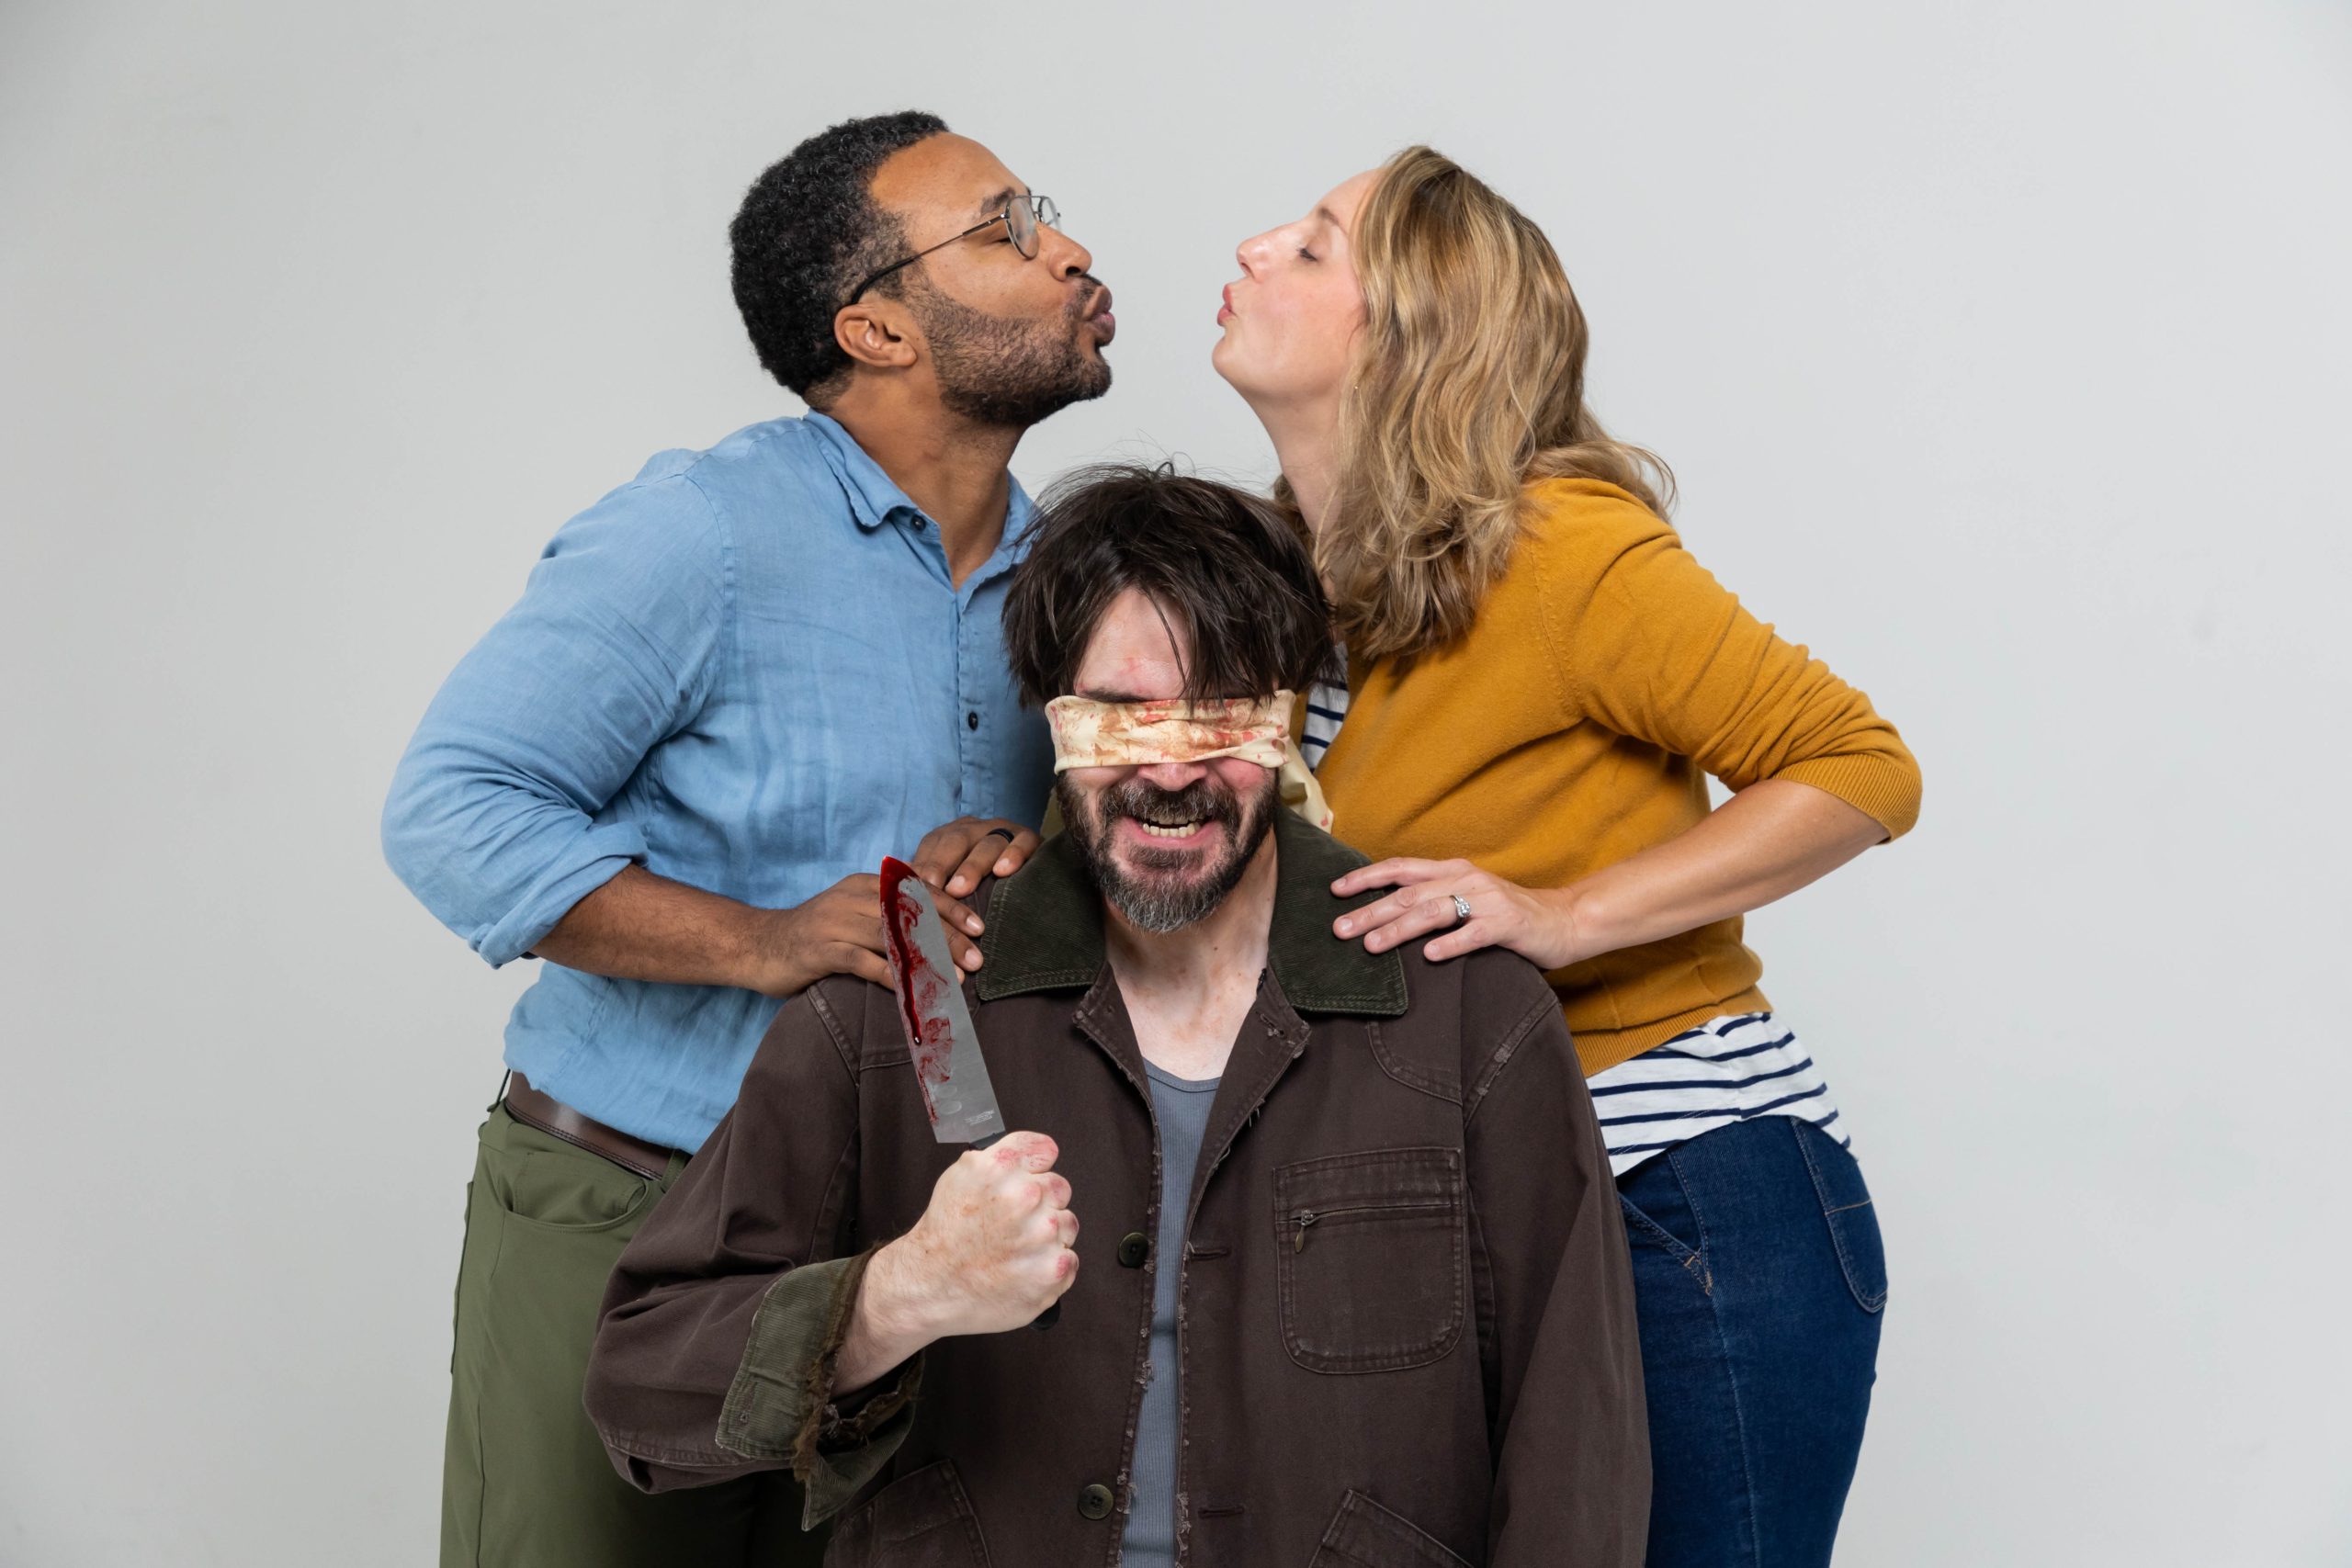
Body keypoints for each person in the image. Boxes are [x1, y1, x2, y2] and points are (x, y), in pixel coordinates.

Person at [581, 466, 1649, 1567]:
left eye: (1219, 711)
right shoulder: (909, 1000)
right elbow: (640, 1390)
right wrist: (896, 1298)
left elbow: (1578, 1439)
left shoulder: (1467, 1009)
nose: (1170, 770)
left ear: (1286, 722)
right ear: (1053, 720)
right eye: (1120, 715)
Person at [379, 110, 1114, 1568]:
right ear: (877, 329)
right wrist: (763, 939)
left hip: (904, 1252)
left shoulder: (1074, 582)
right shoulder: (703, 529)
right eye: (1008, 227)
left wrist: (1036, 855)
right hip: (630, 1204)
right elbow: (453, 805)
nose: (1070, 249)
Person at [1210, 147, 1923, 1567]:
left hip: (1684, 1197)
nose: (1253, 246)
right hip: (1478, 1218)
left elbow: (1859, 764)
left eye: (1315, 244)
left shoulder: (1556, 549)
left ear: (1412, 333)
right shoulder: (1291, 596)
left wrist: (1568, 913)